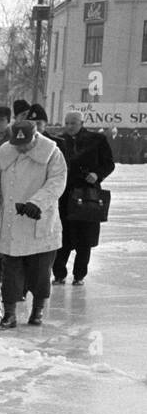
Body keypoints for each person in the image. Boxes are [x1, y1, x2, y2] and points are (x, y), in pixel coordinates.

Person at [0, 119, 66, 327]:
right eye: (18, 145)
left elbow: (57, 181)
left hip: (38, 221)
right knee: (10, 273)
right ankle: (10, 314)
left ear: (35, 137)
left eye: (26, 144)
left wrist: (36, 203)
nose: (21, 148)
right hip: (11, 222)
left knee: (40, 273)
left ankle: (38, 311)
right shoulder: (5, 151)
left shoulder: (51, 152)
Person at [53, 110, 115, 286]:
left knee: (84, 238)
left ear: (81, 123)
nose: (70, 126)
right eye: (67, 122)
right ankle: (59, 273)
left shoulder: (97, 140)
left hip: (88, 195)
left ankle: (79, 274)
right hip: (64, 195)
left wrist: (97, 174)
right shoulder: (58, 142)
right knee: (62, 236)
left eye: (73, 122)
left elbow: (109, 163)